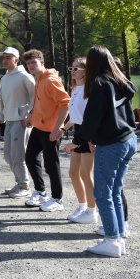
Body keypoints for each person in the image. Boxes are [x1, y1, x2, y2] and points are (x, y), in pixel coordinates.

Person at [80, 45, 137, 257]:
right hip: (129, 140)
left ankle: (112, 241)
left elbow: (93, 117)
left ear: (92, 62)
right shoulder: (120, 80)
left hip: (112, 144)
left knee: (103, 193)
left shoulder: (99, 83)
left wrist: (80, 140)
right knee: (113, 191)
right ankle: (118, 236)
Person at [22, 49, 70, 211]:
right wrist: (31, 115)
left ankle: (57, 199)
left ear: (42, 62)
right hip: (39, 126)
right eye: (28, 63)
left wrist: (58, 128)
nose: (30, 66)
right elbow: (39, 102)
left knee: (51, 165)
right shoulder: (39, 79)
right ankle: (41, 192)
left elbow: (66, 103)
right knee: (30, 158)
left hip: (51, 130)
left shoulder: (50, 81)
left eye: (33, 62)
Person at [0, 47, 35, 199]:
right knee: (8, 156)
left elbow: (35, 98)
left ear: (16, 59)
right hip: (9, 121)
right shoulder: (4, 78)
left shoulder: (25, 76)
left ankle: (24, 186)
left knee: (18, 156)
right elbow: (3, 100)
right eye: (3, 57)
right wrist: (0, 116)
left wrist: (30, 115)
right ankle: (19, 183)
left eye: (8, 58)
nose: (5, 60)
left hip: (21, 122)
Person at [62, 57, 98, 224]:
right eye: (72, 67)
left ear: (87, 71)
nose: (73, 70)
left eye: (77, 68)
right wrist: (62, 128)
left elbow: (91, 118)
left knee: (85, 173)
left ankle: (92, 211)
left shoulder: (90, 90)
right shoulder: (75, 88)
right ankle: (83, 206)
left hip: (88, 133)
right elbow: (74, 116)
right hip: (78, 132)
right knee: (73, 173)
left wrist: (91, 138)